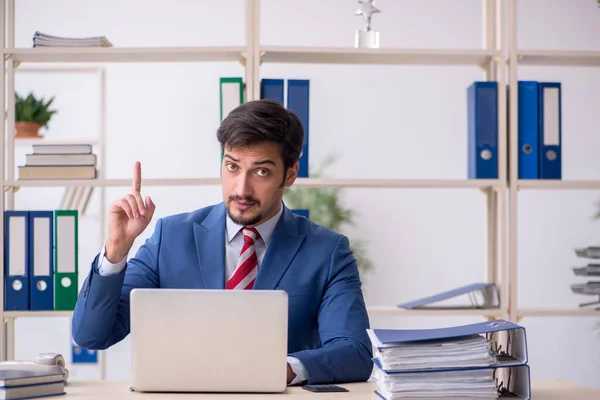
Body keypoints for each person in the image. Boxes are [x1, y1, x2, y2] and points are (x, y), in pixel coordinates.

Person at [71, 99, 373, 385]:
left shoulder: (327, 251)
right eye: (232, 167)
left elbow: (355, 351)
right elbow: (91, 336)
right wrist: (115, 250)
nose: (242, 188)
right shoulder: (171, 237)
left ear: (290, 174)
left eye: (262, 171)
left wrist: (279, 371)